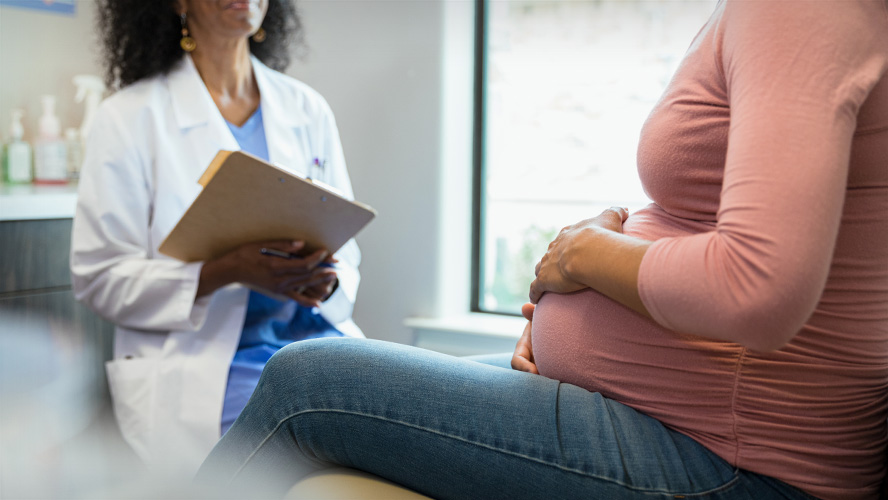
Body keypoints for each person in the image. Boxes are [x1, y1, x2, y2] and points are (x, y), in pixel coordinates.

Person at [197, 1, 888, 499]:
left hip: (734, 459)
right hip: (699, 420)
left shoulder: (801, 11)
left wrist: (584, 257)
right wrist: (597, 271)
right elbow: (722, 208)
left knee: (306, 382)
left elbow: (757, 287)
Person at [70, 0, 364, 474]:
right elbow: (100, 278)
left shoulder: (307, 108)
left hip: (316, 346)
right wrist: (226, 271)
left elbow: (346, 247)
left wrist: (324, 281)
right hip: (211, 366)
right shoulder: (127, 117)